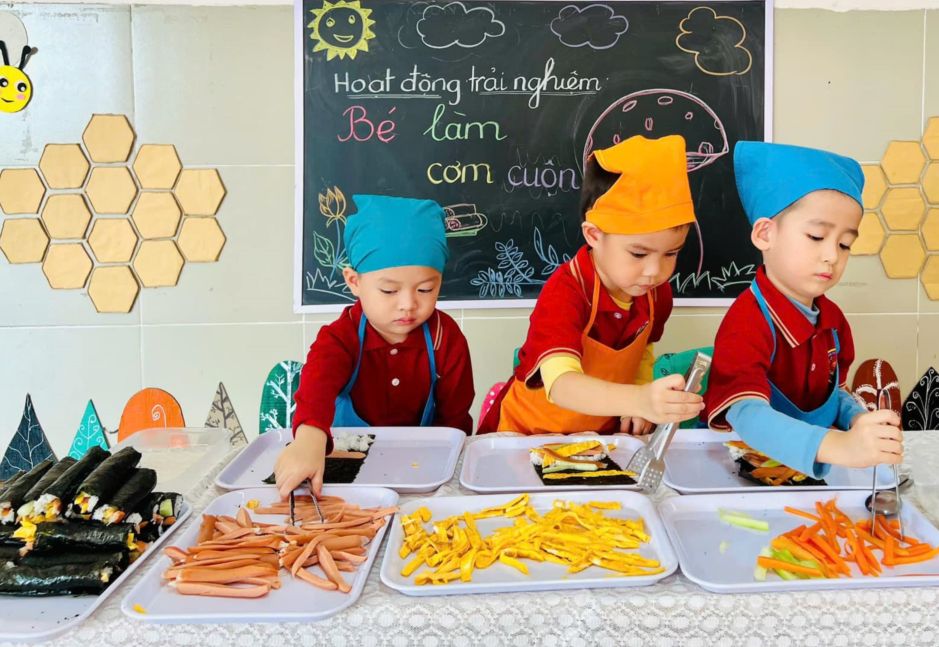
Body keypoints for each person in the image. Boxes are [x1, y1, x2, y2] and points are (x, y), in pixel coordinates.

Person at [478, 135, 705, 435]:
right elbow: (561, 384)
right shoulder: (566, 291)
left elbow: (643, 351)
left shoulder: (656, 295)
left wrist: (639, 394)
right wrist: (639, 399)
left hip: (597, 440)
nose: (655, 271)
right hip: (525, 436)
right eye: (638, 254)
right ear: (594, 235)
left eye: (671, 253)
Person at [704, 142, 903, 477]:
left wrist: (857, 420)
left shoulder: (834, 322)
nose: (832, 256)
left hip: (805, 473)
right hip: (741, 470)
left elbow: (834, 394)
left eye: (845, 244)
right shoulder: (747, 322)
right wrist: (837, 446)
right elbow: (745, 413)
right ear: (765, 234)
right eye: (816, 236)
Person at [274, 195, 474, 498]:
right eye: (389, 290)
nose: (408, 304)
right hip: (345, 469)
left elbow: (455, 421)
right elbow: (317, 386)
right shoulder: (341, 337)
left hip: (420, 472)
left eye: (425, 289)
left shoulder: (446, 339)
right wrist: (309, 439)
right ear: (354, 282)